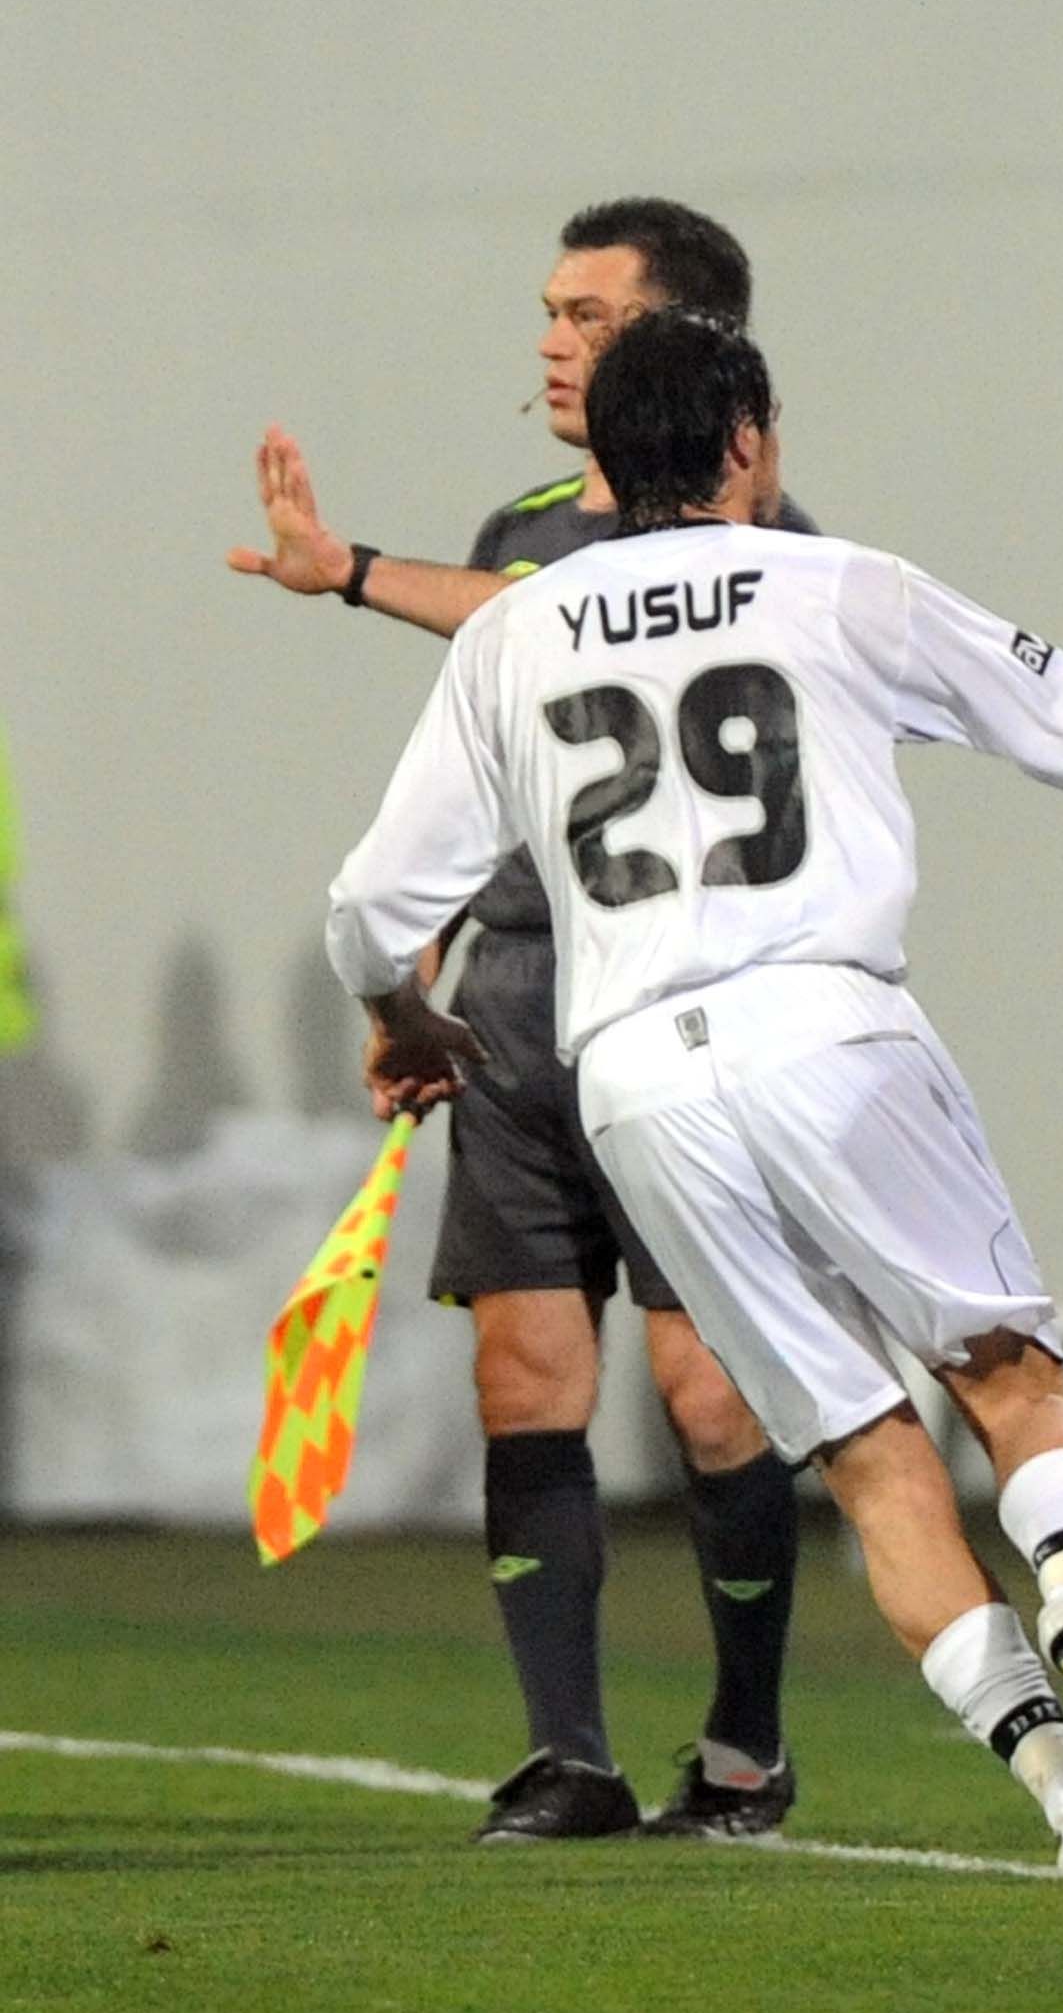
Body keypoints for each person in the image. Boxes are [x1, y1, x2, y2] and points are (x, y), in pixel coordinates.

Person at [325, 307, 1063, 1873]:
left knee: (869, 1457)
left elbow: (363, 906)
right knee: (1004, 1371)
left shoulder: (509, 634)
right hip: (823, 1023)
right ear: (748, 443)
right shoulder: (840, 586)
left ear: (604, 472)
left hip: (631, 1081)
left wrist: (402, 1015)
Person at [228, 199, 823, 1841]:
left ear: (682, 351)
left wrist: (346, 571)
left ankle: (749, 1751)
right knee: (525, 1376)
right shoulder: (526, 522)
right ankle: (570, 1754)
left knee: (711, 1395)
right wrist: (410, 980)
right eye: (548, 314)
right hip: (510, 1014)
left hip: (690, 1023)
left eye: (587, 317)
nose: (550, 346)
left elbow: (549, 623)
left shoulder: (762, 549)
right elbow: (480, 770)